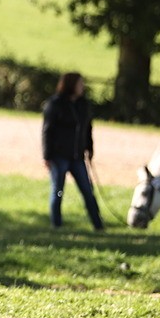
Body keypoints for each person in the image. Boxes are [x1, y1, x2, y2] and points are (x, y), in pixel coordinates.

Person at [42, 72, 104, 231]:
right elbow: (47, 131)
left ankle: (98, 224)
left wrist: (89, 148)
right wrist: (47, 156)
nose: (82, 87)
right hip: (59, 156)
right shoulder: (55, 104)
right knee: (58, 191)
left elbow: (88, 129)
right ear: (71, 85)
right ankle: (56, 224)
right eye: (79, 84)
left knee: (88, 191)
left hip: (77, 157)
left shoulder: (83, 105)